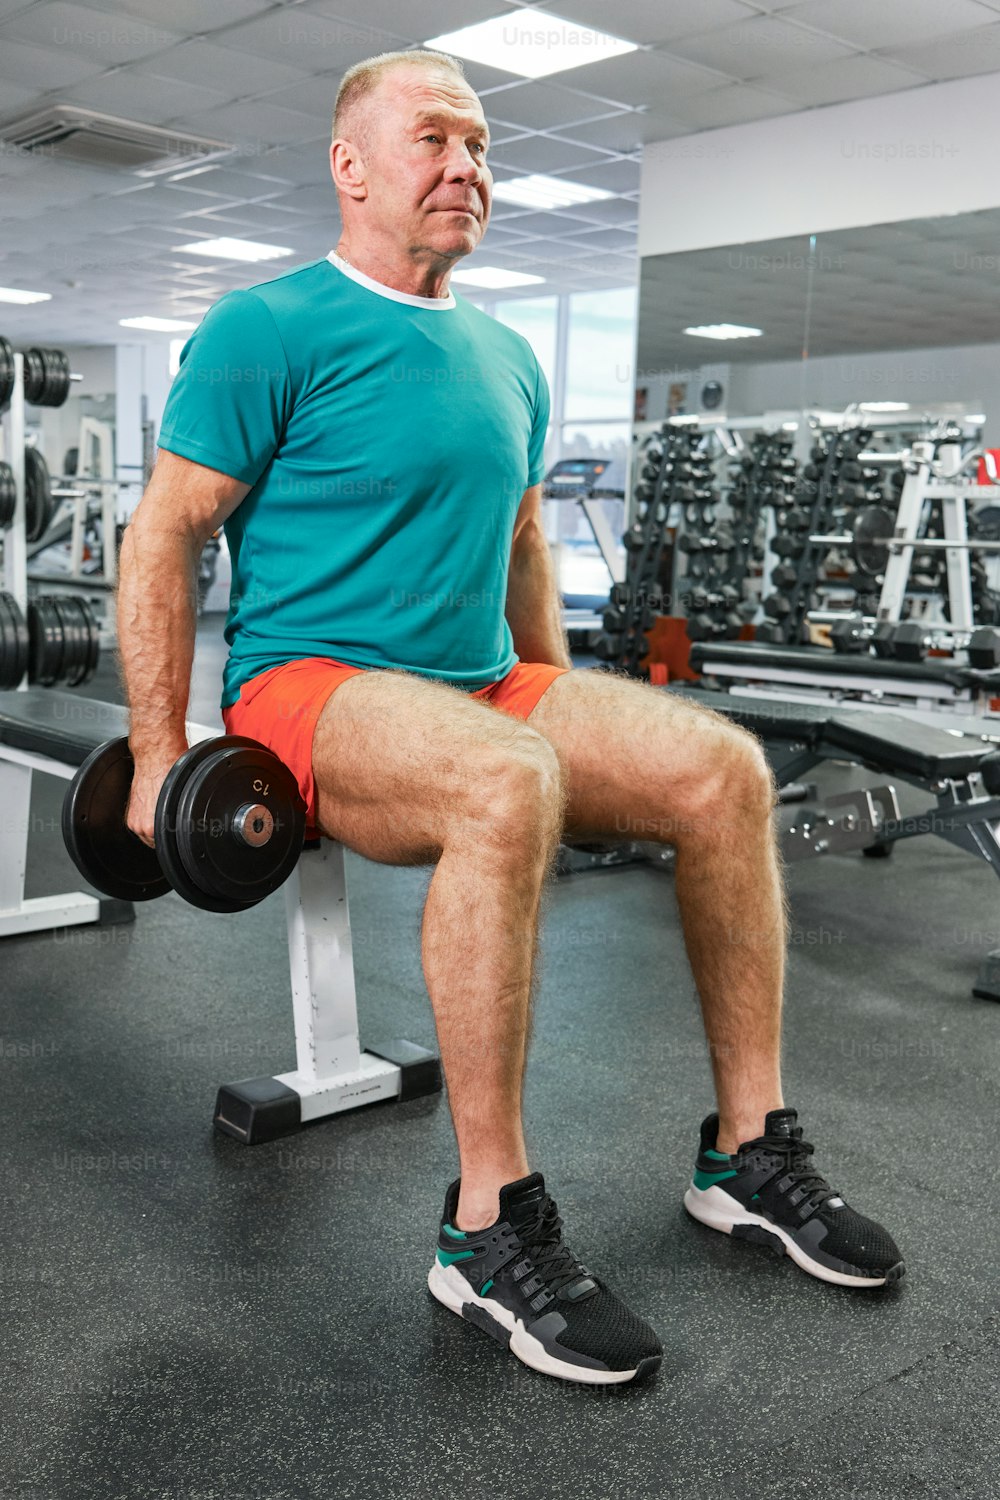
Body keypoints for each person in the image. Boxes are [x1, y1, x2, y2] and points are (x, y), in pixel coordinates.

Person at [118, 49, 904, 1387]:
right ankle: (486, 1225)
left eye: (480, 146)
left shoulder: (506, 353)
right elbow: (164, 534)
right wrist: (156, 754)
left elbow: (527, 540)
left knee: (720, 768)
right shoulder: (268, 328)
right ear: (350, 166)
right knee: (501, 781)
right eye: (432, 139)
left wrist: (565, 707)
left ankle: (750, 1150)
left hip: (482, 677)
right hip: (316, 687)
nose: (465, 167)